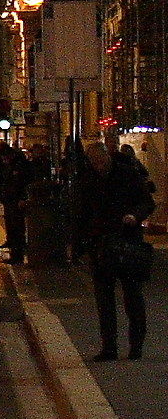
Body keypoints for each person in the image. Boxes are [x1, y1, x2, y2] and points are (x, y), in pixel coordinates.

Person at [75, 140, 157, 361]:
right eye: (94, 162)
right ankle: (109, 347)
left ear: (107, 157)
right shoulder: (88, 179)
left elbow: (147, 203)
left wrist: (134, 216)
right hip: (100, 243)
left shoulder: (127, 174)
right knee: (104, 299)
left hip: (126, 240)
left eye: (100, 161)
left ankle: (136, 345)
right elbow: (81, 212)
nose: (98, 165)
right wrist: (81, 242)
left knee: (132, 296)